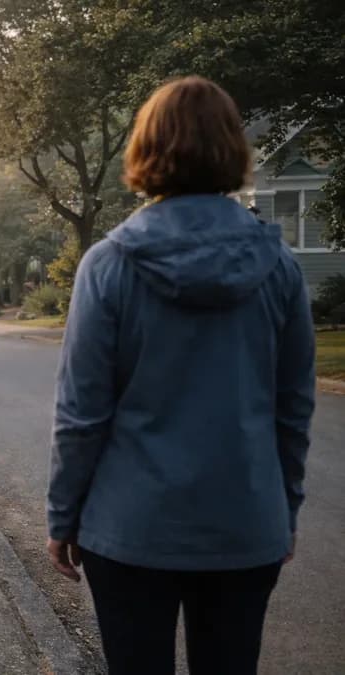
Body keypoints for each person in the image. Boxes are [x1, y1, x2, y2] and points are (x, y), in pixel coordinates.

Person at [46, 76, 315, 675]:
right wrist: (284, 509)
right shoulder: (279, 266)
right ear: (232, 148)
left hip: (130, 528)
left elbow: (82, 413)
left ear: (146, 148)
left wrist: (63, 516)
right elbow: (293, 408)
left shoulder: (109, 263)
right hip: (245, 523)